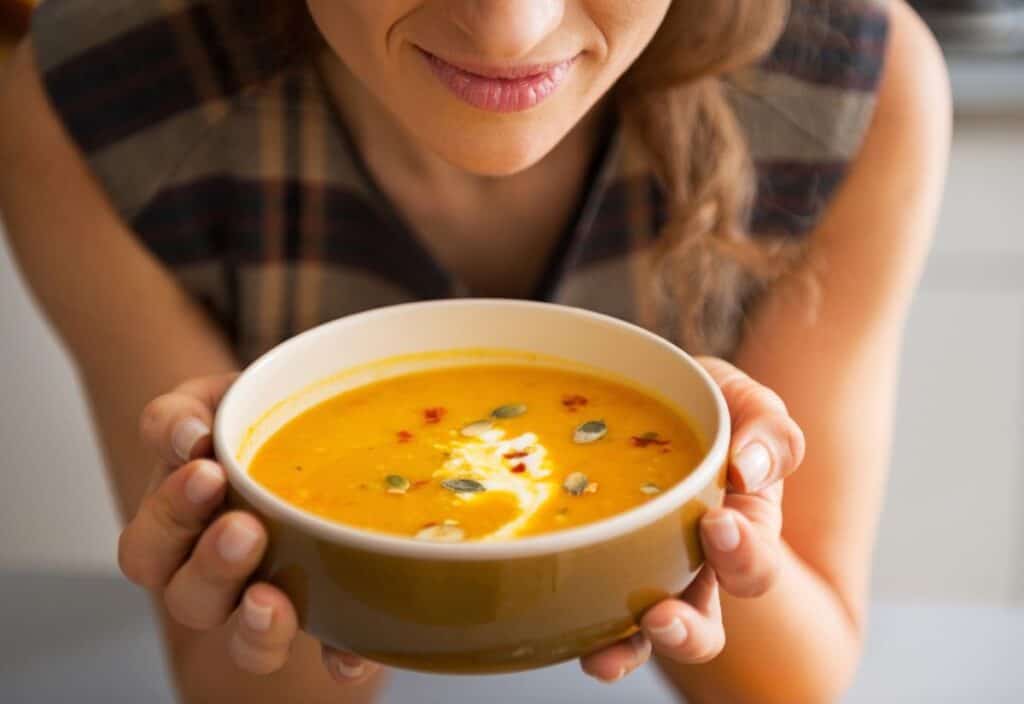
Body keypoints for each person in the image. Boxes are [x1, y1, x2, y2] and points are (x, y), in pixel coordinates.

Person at [0, 0, 949, 701]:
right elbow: (231, 679)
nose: (511, 28)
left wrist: (716, 514)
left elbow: (795, 684)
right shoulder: (86, 107)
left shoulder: (856, 87)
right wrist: (268, 546)